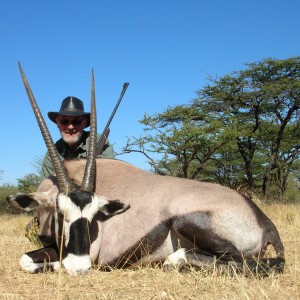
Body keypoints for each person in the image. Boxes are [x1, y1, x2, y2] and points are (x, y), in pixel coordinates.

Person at [40, 96, 115, 180]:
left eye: (77, 121)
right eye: (64, 121)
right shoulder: (52, 153)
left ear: (85, 123)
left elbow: (109, 176)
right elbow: (45, 186)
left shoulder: (99, 141)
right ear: (57, 123)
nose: (70, 127)